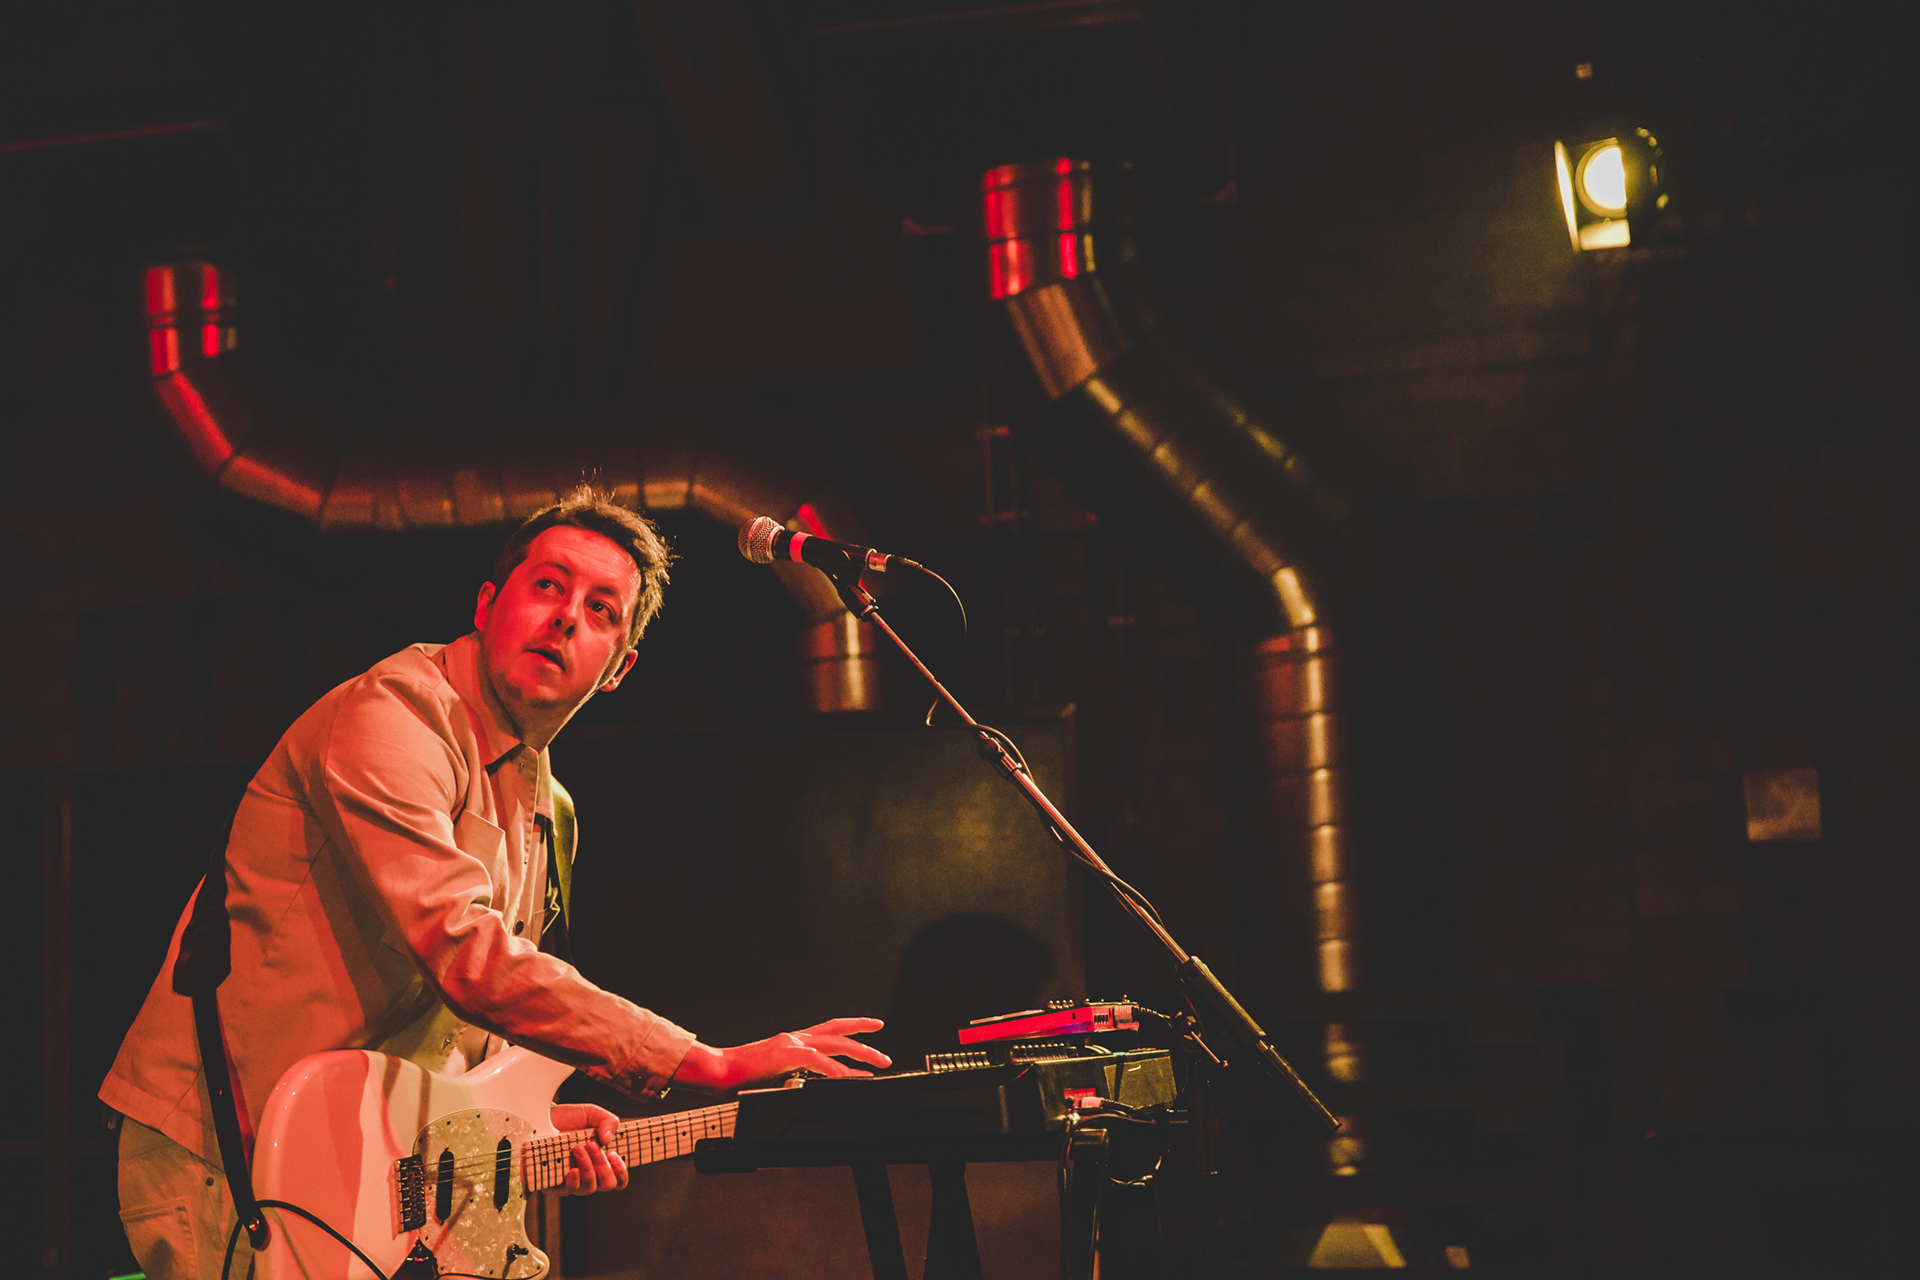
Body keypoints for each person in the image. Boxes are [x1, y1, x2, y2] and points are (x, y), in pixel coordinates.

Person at [101, 485, 888, 1280]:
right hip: (227, 1152)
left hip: (353, 1158)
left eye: (601, 610)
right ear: (486, 605)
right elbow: (464, 955)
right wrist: (710, 1063)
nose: (566, 617)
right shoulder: (393, 715)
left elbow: (469, 1029)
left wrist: (526, 1126)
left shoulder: (549, 808)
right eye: (548, 585)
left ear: (618, 669)